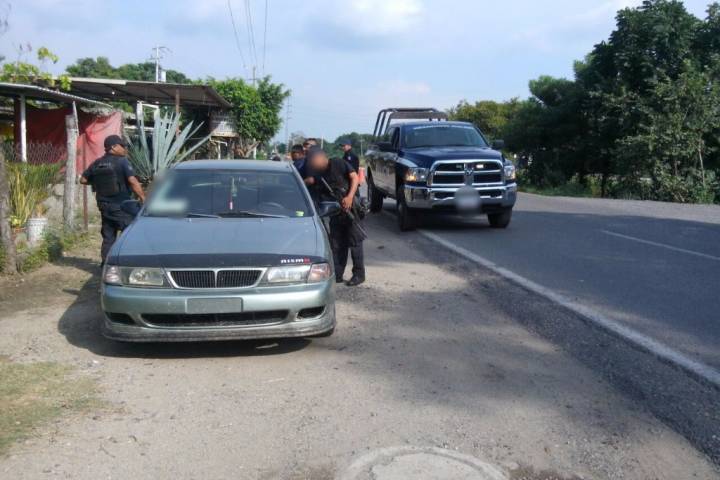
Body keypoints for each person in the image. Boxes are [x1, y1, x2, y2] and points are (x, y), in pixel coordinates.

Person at [80, 135, 145, 265]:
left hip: (104, 206)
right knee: (130, 234)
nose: (125, 149)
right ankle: (126, 263)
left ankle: (106, 264)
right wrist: (143, 197)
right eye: (123, 146)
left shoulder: (97, 163)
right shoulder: (122, 161)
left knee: (108, 237)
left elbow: (83, 180)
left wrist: (99, 182)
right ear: (114, 147)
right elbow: (132, 181)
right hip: (121, 206)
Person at [306, 148, 365, 286]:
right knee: (337, 244)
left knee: (355, 243)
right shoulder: (318, 173)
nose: (312, 165)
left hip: (351, 209)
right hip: (335, 212)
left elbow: (354, 177)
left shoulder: (338, 163)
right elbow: (311, 181)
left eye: (313, 161)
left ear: (321, 157)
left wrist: (350, 197)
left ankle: (359, 274)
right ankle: (337, 274)